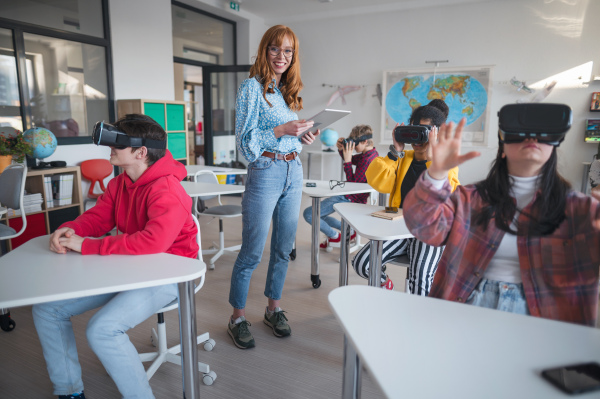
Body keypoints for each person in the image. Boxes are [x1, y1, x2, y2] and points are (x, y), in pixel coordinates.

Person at [32, 114, 199, 399]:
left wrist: (86, 246)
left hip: (169, 273)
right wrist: (71, 230)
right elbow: (98, 217)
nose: (109, 149)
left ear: (141, 152)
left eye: (117, 144)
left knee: (101, 330)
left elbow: (154, 242)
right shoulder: (120, 183)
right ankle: (69, 391)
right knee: (47, 309)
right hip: (129, 266)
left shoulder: (167, 189)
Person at [403, 113, 600, 326]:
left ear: (553, 148)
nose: (531, 138)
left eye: (541, 135)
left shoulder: (580, 209)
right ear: (503, 148)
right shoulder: (469, 199)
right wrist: (437, 172)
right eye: (520, 134)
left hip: (544, 320)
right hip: (465, 308)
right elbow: (423, 226)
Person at [228, 25, 319, 349]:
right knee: (252, 250)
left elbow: (286, 137)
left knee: (283, 248)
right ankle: (237, 317)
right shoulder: (252, 88)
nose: (282, 56)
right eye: (275, 49)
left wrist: (301, 135)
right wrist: (282, 129)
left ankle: (273, 308)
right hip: (265, 170)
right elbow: (246, 143)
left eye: (288, 51)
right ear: (265, 50)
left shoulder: (287, 92)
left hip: (294, 169)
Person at [352, 100, 459, 293]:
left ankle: (416, 319)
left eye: (424, 131)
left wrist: (433, 157)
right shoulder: (404, 159)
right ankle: (385, 285)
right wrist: (395, 152)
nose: (418, 137)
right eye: (415, 129)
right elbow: (377, 182)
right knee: (362, 263)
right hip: (400, 229)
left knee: (419, 280)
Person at [302, 124, 379, 251]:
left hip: (350, 198)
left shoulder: (367, 160)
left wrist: (347, 162)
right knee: (318, 214)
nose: (353, 147)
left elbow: (352, 185)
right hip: (350, 196)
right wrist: (342, 150)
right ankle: (349, 231)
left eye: (355, 144)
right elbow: (351, 159)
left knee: (309, 214)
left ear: (365, 141)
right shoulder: (370, 154)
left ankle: (335, 237)